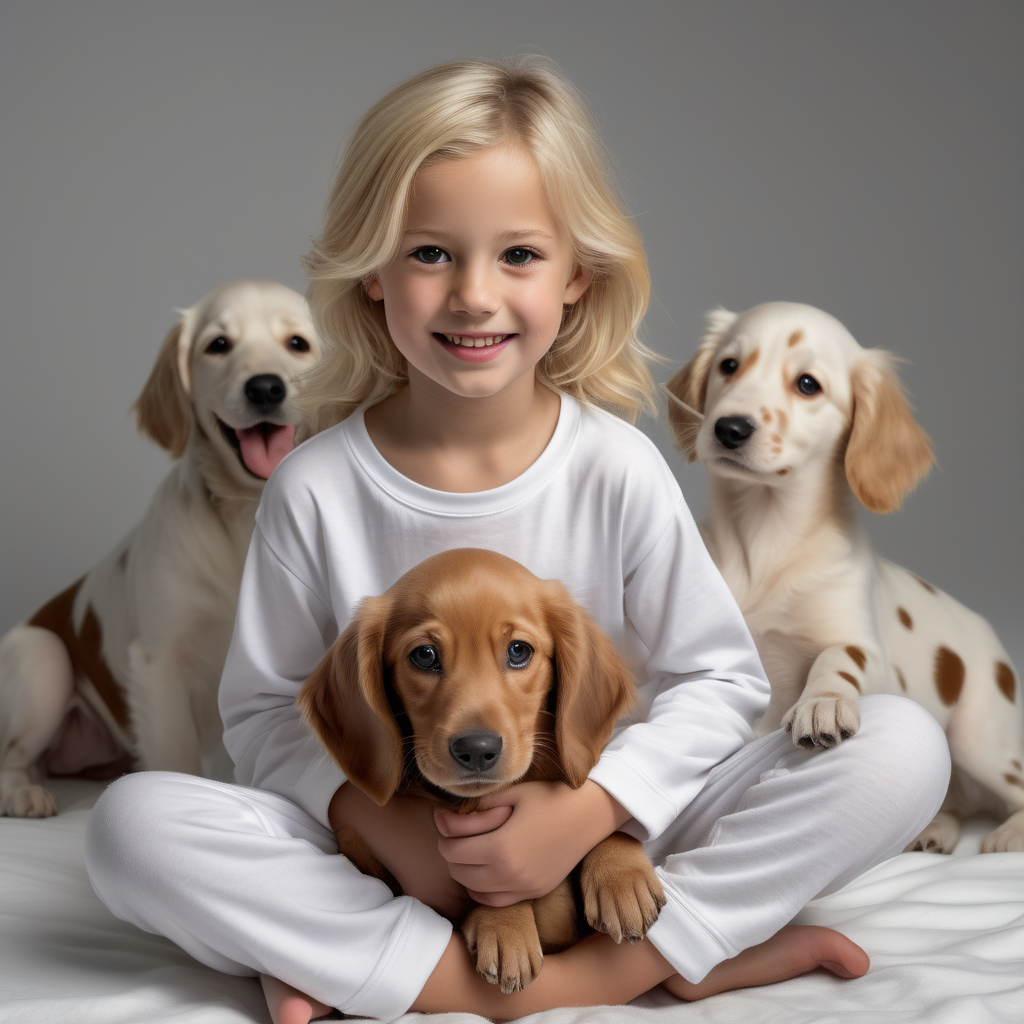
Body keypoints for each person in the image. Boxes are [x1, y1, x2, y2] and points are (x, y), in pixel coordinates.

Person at [85, 57, 949, 1024]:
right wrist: (398, 832)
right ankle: (641, 965)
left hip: (607, 835)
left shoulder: (615, 466)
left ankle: (430, 967)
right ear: (372, 270)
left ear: (579, 273)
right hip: (387, 847)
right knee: (132, 828)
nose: (473, 297)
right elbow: (261, 719)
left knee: (901, 744)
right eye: (430, 254)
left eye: (519, 256)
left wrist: (588, 814)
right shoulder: (315, 486)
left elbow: (722, 683)